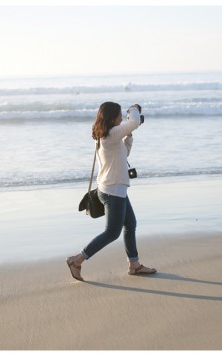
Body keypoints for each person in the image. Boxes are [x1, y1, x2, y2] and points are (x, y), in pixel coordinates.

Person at [66, 102, 157, 281]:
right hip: (113, 191)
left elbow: (124, 154)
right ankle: (77, 260)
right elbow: (135, 122)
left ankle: (134, 265)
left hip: (114, 189)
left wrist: (128, 136)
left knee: (130, 224)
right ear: (111, 117)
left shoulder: (107, 136)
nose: (122, 118)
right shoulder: (111, 134)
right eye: (120, 115)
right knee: (112, 233)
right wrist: (134, 109)